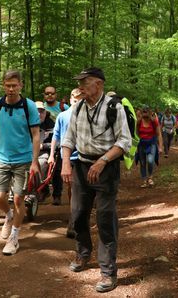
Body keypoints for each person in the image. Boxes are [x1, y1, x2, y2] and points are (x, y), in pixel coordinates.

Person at [61, 67, 131, 293]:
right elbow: (68, 138)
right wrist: (65, 164)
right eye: (79, 81)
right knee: (78, 215)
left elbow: (124, 142)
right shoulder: (78, 108)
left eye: (85, 81)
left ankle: (108, 272)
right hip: (81, 166)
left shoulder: (115, 107)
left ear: (99, 84)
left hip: (106, 169)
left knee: (104, 218)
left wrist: (102, 161)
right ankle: (83, 254)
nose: (80, 86)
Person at [0, 70, 41, 256]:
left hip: (24, 159)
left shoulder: (29, 107)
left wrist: (35, 161)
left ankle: (14, 237)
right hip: (1, 159)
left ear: (21, 85)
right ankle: (9, 216)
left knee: (19, 199)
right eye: (8, 85)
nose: (11, 89)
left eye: (14, 85)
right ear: (3, 85)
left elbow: (36, 136)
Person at [49, 88, 83, 235]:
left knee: (79, 189)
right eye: (75, 100)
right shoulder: (62, 116)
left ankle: (75, 221)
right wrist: (51, 155)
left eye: (80, 99)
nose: (77, 102)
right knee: (72, 189)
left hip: (83, 157)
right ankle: (74, 218)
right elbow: (55, 136)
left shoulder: (87, 115)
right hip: (67, 158)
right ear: (70, 100)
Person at [136, 106, 164, 187]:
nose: (145, 113)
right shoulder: (139, 122)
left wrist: (160, 147)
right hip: (141, 144)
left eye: (146, 112)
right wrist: (135, 147)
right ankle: (144, 180)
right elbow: (136, 134)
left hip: (151, 143)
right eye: (143, 112)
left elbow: (159, 135)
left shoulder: (154, 122)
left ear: (149, 112)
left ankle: (150, 177)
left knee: (150, 160)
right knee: (142, 162)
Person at [36, 101, 55, 202]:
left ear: (45, 112)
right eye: (36, 111)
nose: (39, 114)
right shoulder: (25, 122)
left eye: (41, 111)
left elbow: (56, 142)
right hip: (27, 153)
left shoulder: (50, 123)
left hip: (44, 152)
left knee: (41, 164)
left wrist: (42, 146)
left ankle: (41, 188)